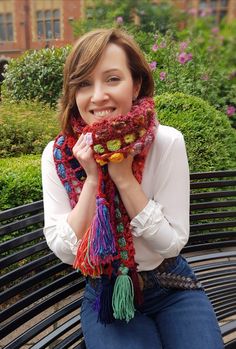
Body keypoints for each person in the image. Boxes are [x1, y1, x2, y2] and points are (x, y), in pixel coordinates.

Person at [42, 28, 224, 349]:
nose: (98, 95)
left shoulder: (166, 142)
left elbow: (171, 244)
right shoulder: (58, 155)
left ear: (135, 84)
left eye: (112, 79)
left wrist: (124, 179)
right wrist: (94, 180)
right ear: (73, 92)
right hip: (107, 292)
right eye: (84, 83)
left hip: (170, 285)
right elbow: (66, 251)